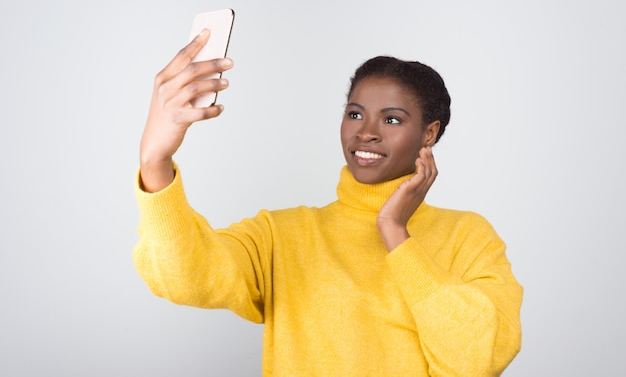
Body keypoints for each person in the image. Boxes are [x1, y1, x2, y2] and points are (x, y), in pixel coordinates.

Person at [134, 28, 523, 376]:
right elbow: (184, 277)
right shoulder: (281, 236)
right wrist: (155, 161)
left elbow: (476, 362)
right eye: (355, 114)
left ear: (429, 134)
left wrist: (395, 234)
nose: (366, 133)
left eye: (391, 120)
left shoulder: (469, 237)